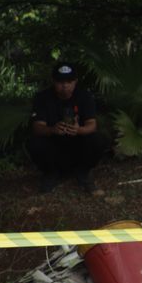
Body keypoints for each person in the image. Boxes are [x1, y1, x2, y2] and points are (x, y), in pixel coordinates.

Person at [29, 62, 106, 195]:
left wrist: (79, 130)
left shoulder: (84, 96)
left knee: (98, 139)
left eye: (69, 81)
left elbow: (92, 125)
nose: (65, 86)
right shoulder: (42, 98)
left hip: (78, 144)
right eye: (60, 82)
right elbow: (37, 127)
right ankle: (50, 173)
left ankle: (83, 172)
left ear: (75, 81)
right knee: (34, 142)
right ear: (53, 81)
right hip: (54, 145)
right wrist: (52, 129)